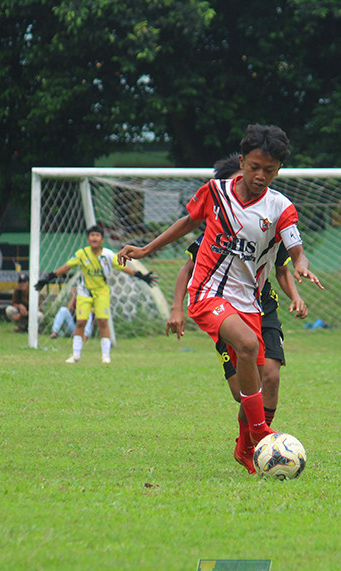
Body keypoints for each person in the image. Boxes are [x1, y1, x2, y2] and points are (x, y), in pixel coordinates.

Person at [118, 124, 323, 473]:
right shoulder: (215, 193)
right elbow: (186, 223)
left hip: (251, 303)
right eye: (255, 167)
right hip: (207, 292)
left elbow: (295, 249)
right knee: (245, 345)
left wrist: (302, 264)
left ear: (279, 171)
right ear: (242, 162)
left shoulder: (280, 207)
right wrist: (148, 249)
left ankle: (246, 449)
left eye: (269, 171)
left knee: (260, 379)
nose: (260, 176)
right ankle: (260, 433)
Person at [167, 154, 308, 472]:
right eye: (246, 174)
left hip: (261, 304)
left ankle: (252, 446)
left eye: (266, 172)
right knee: (241, 390)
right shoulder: (213, 229)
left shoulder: (274, 216)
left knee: (269, 376)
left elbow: (286, 264)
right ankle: (258, 437)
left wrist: (296, 294)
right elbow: (187, 269)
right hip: (220, 304)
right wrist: (177, 308)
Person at [34, 225, 157, 364]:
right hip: (84, 292)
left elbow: (124, 268)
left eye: (97, 235)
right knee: (80, 322)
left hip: (101, 292)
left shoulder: (108, 255)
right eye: (92, 235)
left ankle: (105, 356)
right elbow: (67, 267)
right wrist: (49, 277)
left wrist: (142, 276)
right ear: (88, 238)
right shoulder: (82, 254)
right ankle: (75, 355)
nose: (94, 238)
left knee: (103, 322)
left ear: (102, 239)